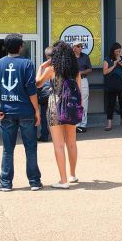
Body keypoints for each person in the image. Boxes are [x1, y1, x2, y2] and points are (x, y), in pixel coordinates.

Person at [0, 33, 42, 192]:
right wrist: (37, 111)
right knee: (30, 148)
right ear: (20, 47)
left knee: (7, 149)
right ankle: (34, 182)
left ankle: (5, 183)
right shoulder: (27, 64)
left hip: (7, 113)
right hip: (26, 111)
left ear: (5, 47)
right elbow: (31, 90)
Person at [37, 40, 81, 189]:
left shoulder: (52, 69)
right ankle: (72, 175)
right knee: (72, 143)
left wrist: (41, 67)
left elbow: (38, 83)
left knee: (59, 145)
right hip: (71, 107)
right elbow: (79, 91)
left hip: (55, 107)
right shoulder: (76, 71)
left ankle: (63, 181)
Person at [103, 42, 122, 131]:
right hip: (111, 84)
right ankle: (109, 124)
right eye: (117, 51)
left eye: (119, 51)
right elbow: (105, 72)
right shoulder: (107, 59)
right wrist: (114, 65)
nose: (118, 53)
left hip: (120, 84)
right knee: (111, 104)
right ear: (113, 51)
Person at [71, 39, 92, 133]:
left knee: (84, 103)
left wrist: (80, 73)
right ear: (74, 47)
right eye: (78, 46)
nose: (80, 48)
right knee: (74, 103)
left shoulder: (85, 57)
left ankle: (83, 125)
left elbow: (90, 69)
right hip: (72, 81)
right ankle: (75, 125)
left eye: (81, 46)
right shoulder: (70, 58)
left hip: (83, 80)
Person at [37, 47, 53, 142]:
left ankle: (44, 135)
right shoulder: (61, 65)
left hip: (45, 94)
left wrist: (41, 67)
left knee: (43, 115)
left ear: (46, 56)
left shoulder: (44, 67)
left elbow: (38, 83)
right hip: (56, 95)